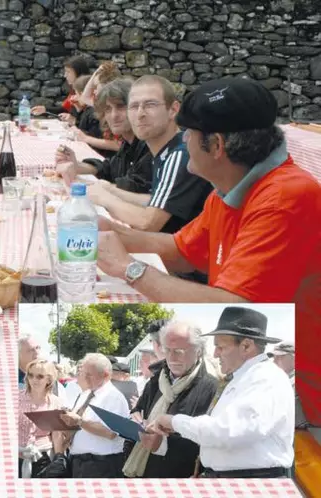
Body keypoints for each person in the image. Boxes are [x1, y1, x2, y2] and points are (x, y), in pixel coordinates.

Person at [94, 77, 321, 425]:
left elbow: (238, 306)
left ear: (215, 145)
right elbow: (181, 249)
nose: (182, 140)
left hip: (302, 397)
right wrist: (115, 234)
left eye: (187, 132)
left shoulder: (284, 199)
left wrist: (130, 269)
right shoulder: (234, 185)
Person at [148, 307, 295, 478]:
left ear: (246, 346)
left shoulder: (265, 377)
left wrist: (174, 422)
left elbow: (230, 431)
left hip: (251, 481)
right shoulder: (245, 377)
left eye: (220, 347)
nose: (215, 353)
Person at [87, 76, 213, 235]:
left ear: (173, 110)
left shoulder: (180, 154)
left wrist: (104, 198)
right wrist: (111, 190)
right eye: (133, 106)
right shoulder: (164, 151)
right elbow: (155, 201)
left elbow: (148, 223)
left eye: (150, 105)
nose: (140, 114)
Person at [123, 320, 218, 478]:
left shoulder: (211, 388)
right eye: (168, 350)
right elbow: (138, 410)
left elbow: (207, 438)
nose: (172, 357)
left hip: (177, 477)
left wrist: (162, 445)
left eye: (180, 351)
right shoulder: (156, 379)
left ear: (199, 351)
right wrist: (135, 419)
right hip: (142, 471)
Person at [56, 79, 153, 194]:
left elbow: (136, 189)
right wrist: (76, 166)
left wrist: (98, 189)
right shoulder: (128, 142)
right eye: (108, 109)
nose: (114, 115)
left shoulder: (149, 145)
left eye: (120, 107)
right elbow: (108, 168)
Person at [53, 353, 129, 478]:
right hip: (78, 462)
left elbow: (111, 433)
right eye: (84, 373)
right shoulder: (86, 394)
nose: (85, 378)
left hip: (102, 465)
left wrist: (79, 422)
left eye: (89, 375)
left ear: (105, 375)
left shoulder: (114, 397)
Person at [18, 359, 64, 478]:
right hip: (16, 456)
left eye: (39, 376)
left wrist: (59, 458)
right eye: (31, 375)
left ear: (49, 379)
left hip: (44, 457)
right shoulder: (15, 398)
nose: (34, 380)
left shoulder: (56, 402)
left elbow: (56, 434)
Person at [31, 55, 91, 120]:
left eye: (68, 72)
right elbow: (64, 109)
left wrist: (75, 120)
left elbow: (87, 118)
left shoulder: (88, 93)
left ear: (78, 72)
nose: (65, 75)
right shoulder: (74, 90)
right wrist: (44, 109)